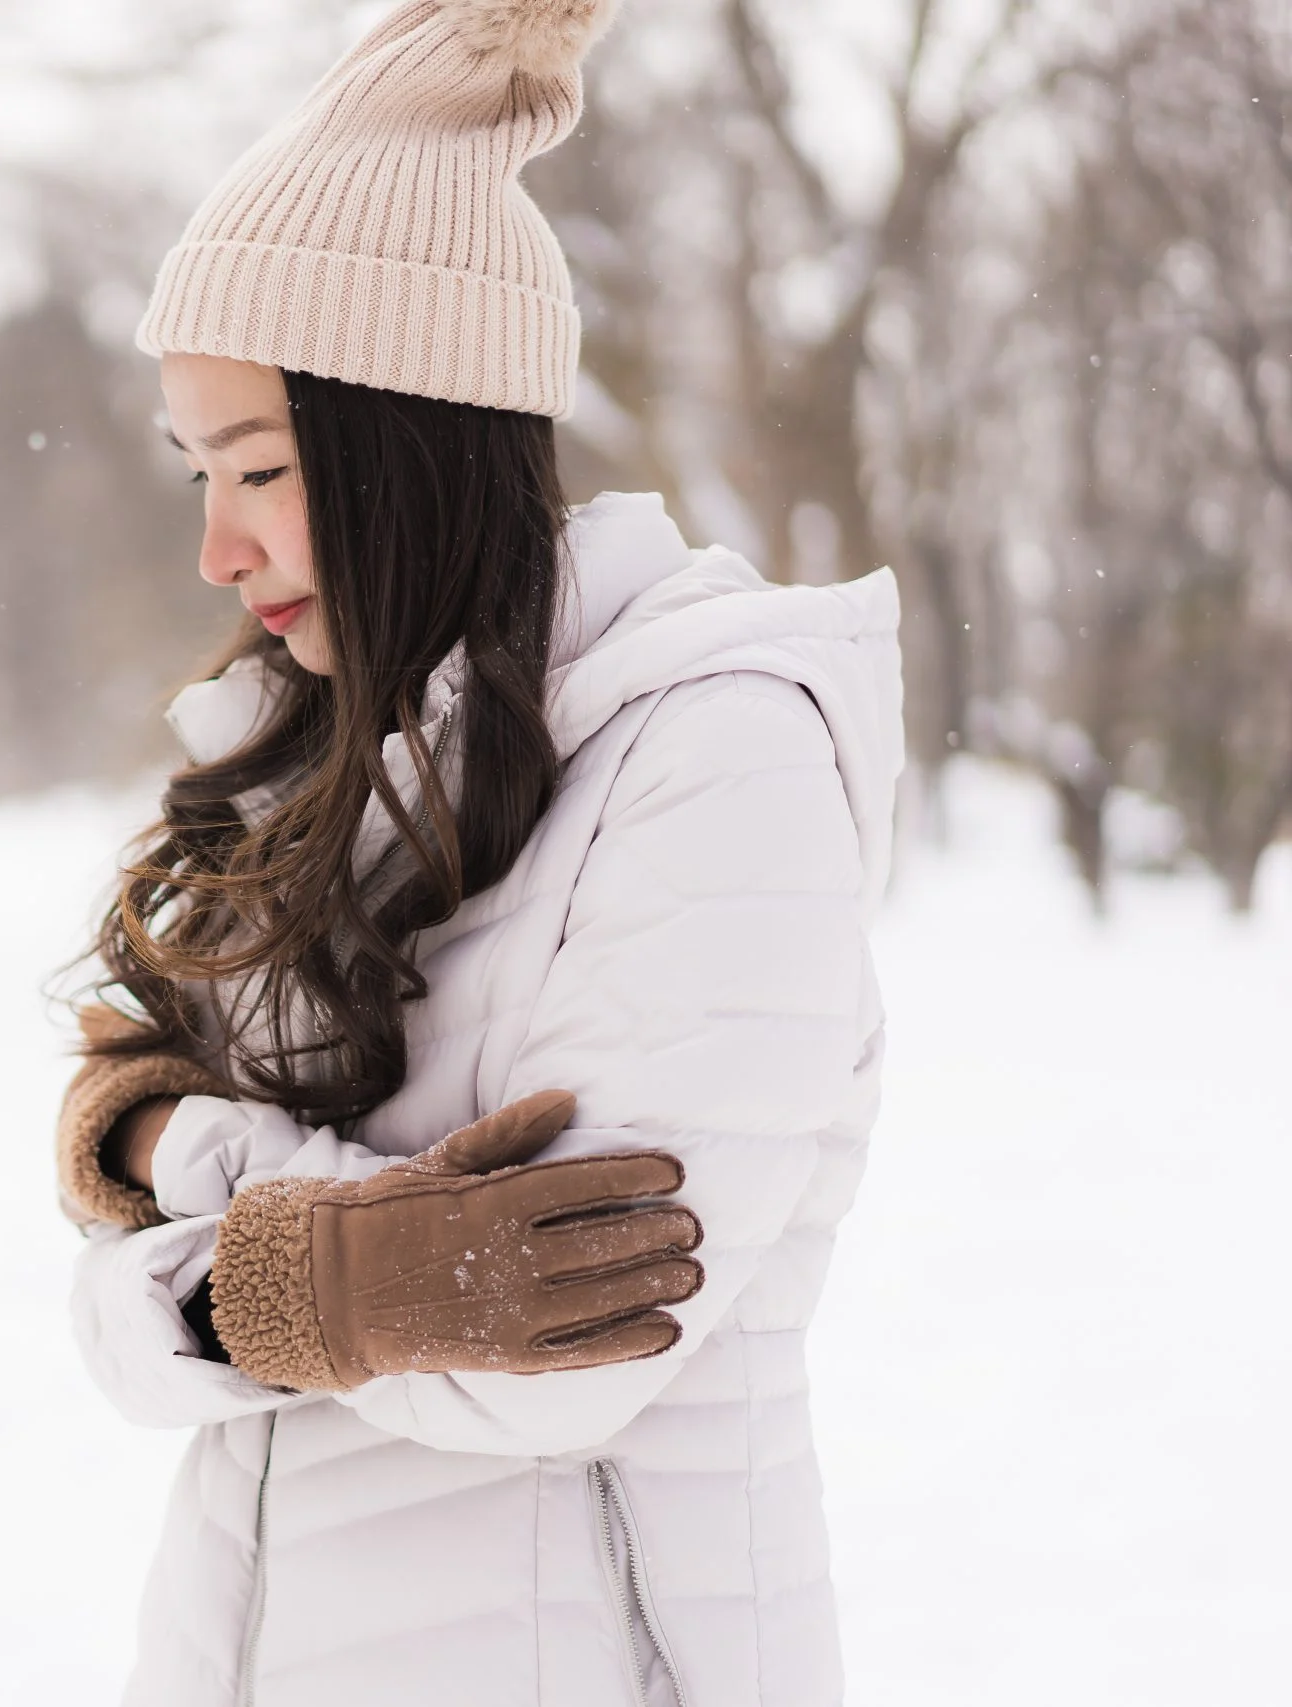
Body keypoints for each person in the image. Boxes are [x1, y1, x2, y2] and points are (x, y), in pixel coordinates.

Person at [51, 4, 906, 1704]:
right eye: (196, 473)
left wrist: (194, 1191)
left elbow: (566, 1351)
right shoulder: (318, 759)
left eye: (262, 467)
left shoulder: (716, 757)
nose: (217, 547)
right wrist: (331, 1275)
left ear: (407, 435)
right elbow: (114, 1308)